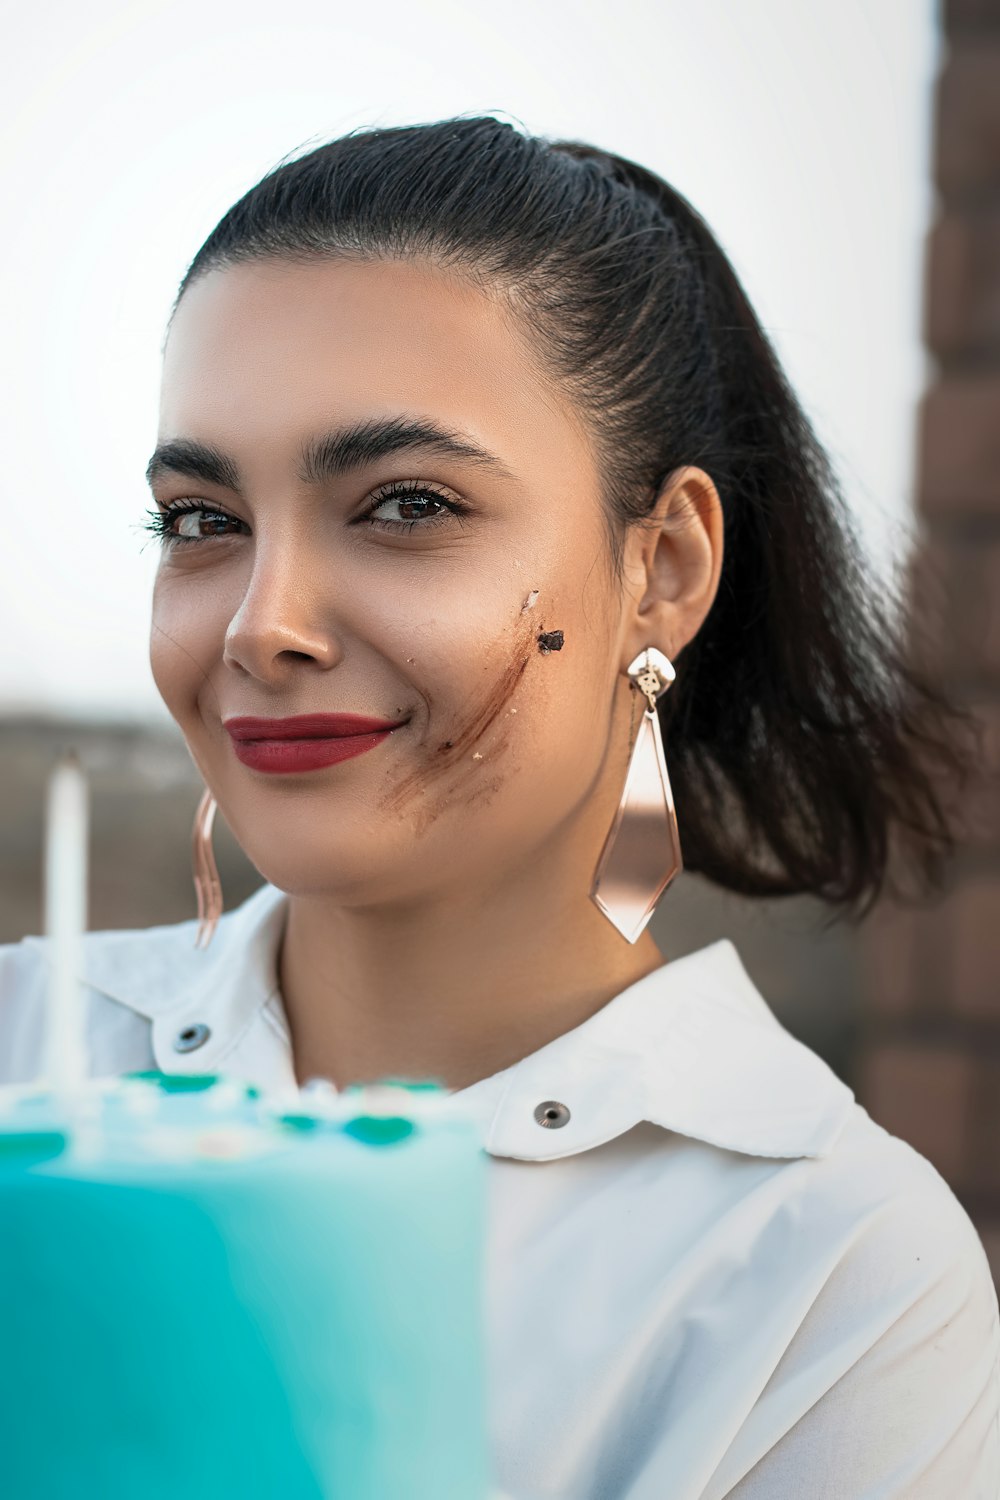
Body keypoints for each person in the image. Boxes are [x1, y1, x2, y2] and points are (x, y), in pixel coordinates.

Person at [2, 115, 997, 1498]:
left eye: (406, 504)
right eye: (202, 520)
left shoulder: (831, 1270)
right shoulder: (27, 1065)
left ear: (662, 568)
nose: (260, 625)